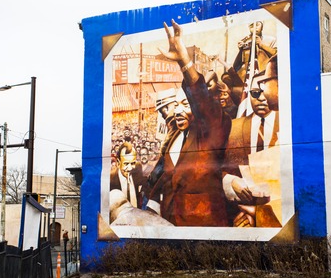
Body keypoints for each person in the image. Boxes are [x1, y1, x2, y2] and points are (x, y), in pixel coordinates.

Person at [145, 19, 231, 227]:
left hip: (205, 232)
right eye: (176, 104)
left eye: (186, 103)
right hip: (171, 232)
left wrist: (184, 59)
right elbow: (163, 179)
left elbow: (201, 100)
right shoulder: (174, 136)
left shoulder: (211, 127)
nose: (179, 110)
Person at [222, 55, 281, 227]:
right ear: (248, 95)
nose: (262, 98)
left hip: (277, 218)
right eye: (255, 93)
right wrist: (231, 183)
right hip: (239, 219)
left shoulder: (288, 125)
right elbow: (219, 169)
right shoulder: (233, 128)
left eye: (265, 91)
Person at [110, 142, 145, 209]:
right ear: (118, 162)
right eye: (126, 164)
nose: (130, 168)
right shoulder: (110, 180)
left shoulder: (137, 171)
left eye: (132, 163)